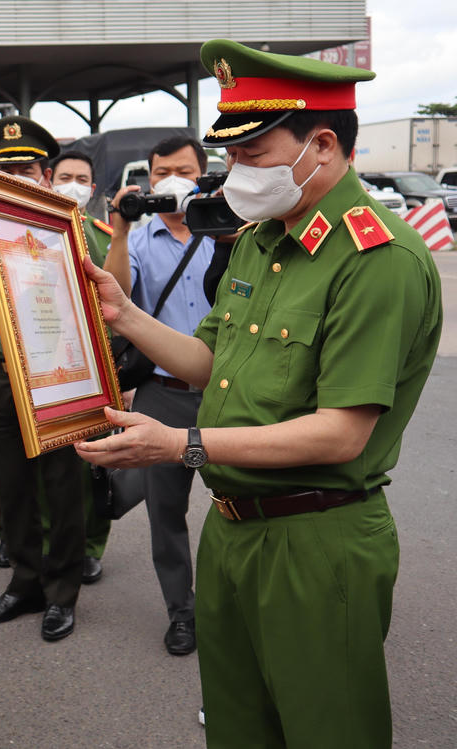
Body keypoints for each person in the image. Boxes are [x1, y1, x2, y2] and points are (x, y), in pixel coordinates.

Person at [75, 40, 441, 748]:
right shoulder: (261, 240)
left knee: (326, 730)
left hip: (318, 539)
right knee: (239, 728)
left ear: (324, 145)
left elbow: (342, 432)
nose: (235, 173)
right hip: (235, 530)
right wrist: (125, 313)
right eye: (231, 156)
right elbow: (210, 360)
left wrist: (182, 443)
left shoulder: (377, 259)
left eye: (253, 153)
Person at [0, 115, 85, 642]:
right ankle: (24, 583)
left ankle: (62, 592)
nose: (16, 175)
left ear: (45, 174)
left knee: (62, 488)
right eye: (5, 168)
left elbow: (104, 302)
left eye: (27, 168)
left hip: (54, 374)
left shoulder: (68, 230)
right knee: (9, 488)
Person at [101, 135, 217, 656]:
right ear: (148, 179)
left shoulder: (231, 230)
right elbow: (117, 297)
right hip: (163, 394)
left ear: (204, 174)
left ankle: (232, 602)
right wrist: (121, 232)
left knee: (241, 503)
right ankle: (182, 612)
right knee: (166, 513)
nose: (172, 179)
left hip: (226, 396)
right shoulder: (140, 240)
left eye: (184, 170)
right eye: (162, 171)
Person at [45, 150, 114, 584]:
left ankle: (91, 546)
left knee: (95, 465)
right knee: (49, 462)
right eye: (65, 176)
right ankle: (52, 541)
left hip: (97, 366)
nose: (73, 184)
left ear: (92, 188)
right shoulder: (35, 230)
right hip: (47, 366)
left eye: (81, 178)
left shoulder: (107, 238)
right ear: (50, 180)